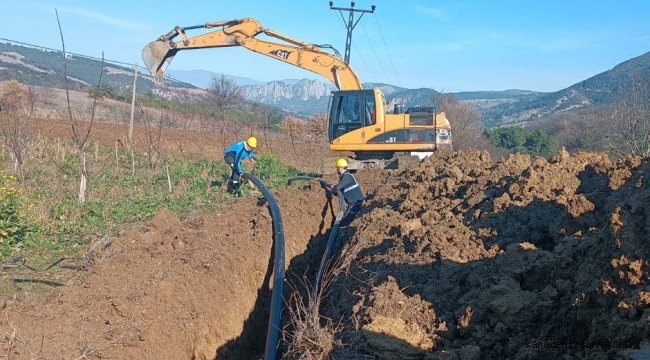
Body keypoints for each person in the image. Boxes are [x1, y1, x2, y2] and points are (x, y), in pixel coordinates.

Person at [330, 158, 364, 227]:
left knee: (344, 223)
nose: (337, 170)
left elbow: (336, 189)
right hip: (353, 203)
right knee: (344, 221)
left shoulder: (347, 177)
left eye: (337, 168)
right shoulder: (346, 177)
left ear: (340, 168)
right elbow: (340, 190)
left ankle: (339, 233)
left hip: (355, 204)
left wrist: (333, 189)